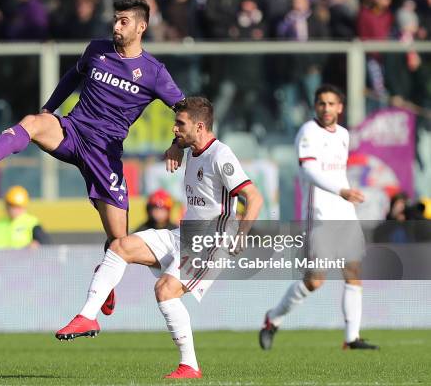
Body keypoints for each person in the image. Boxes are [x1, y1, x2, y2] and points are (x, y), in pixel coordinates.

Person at [0, 0, 185, 316]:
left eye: (124, 21)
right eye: (115, 19)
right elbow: (73, 77)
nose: (116, 26)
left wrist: (176, 144)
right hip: (72, 132)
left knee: (119, 241)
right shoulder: (96, 50)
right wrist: (49, 108)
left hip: (105, 154)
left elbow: (186, 109)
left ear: (141, 27)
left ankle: (106, 283)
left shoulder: (154, 73)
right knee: (33, 122)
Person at [55, 97, 263, 378]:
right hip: (184, 235)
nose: (174, 128)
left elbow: (254, 197)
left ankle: (189, 365)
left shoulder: (220, 155)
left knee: (166, 290)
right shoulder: (192, 146)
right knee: (120, 246)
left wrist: (241, 234)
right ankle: (88, 317)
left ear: (199, 126)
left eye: (180, 124)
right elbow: (183, 142)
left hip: (211, 242)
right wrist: (176, 146)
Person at [259, 84, 379, 350]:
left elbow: (336, 172)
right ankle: (273, 318)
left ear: (340, 107)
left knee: (354, 271)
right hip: (320, 215)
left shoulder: (344, 135)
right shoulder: (308, 132)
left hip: (344, 213)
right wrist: (342, 190)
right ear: (316, 106)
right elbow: (310, 170)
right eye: (321, 103)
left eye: (331, 103)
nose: (326, 108)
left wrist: (345, 195)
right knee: (315, 281)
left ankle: (352, 338)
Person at [0, 185, 50, 249]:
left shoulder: (32, 224)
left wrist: (36, 245)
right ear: (6, 206)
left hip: (24, 261)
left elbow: (46, 245)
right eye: (12, 205)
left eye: (18, 206)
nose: (14, 210)